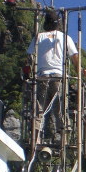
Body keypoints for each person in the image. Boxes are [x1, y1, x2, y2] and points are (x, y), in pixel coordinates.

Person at [26, 9, 79, 141]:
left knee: (38, 110)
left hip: (41, 76)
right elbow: (74, 56)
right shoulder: (65, 37)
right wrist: (80, 72)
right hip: (59, 77)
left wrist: (27, 71)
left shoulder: (39, 37)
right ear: (58, 24)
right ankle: (63, 138)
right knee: (59, 109)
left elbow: (29, 57)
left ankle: (35, 138)